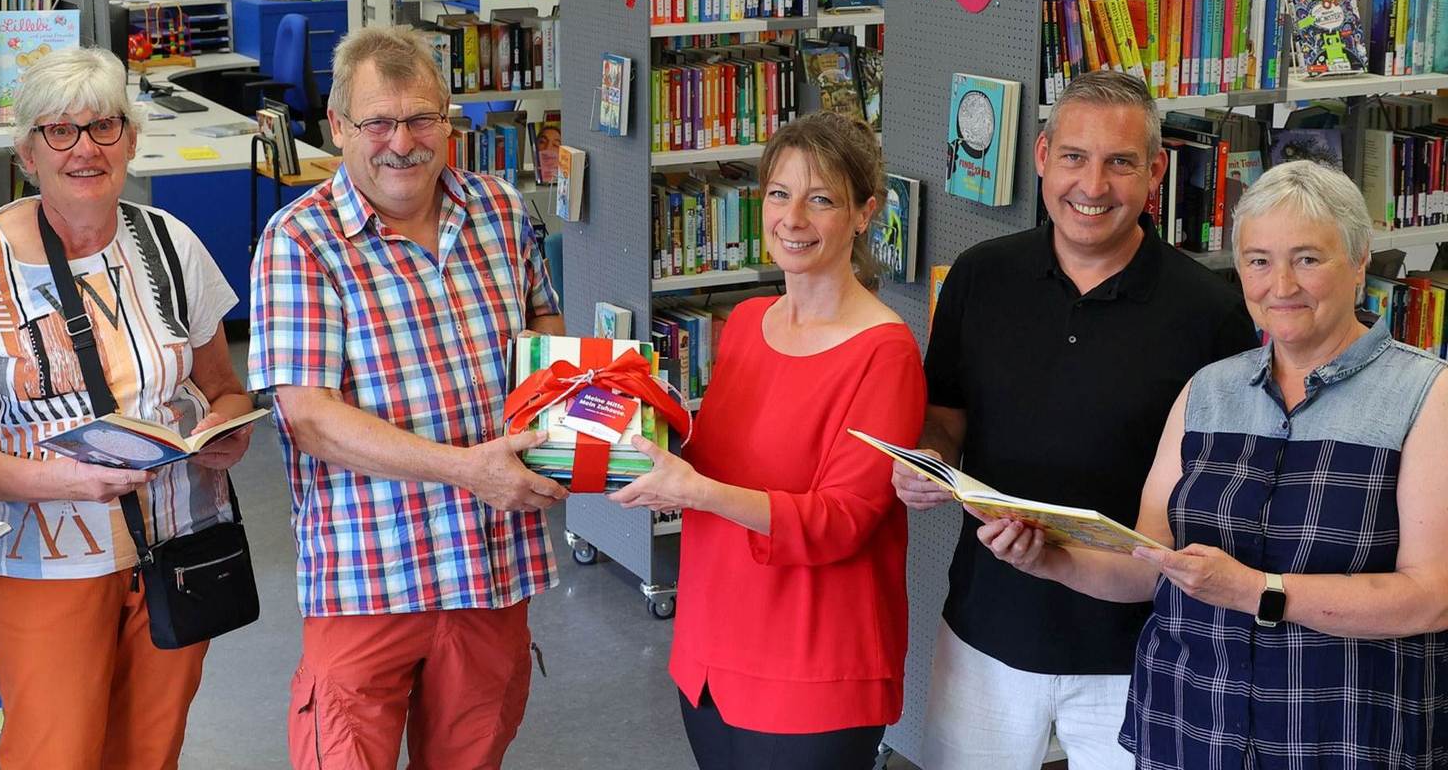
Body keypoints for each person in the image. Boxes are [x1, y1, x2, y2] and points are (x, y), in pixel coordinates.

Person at [979, 159, 1448, 770]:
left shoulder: (1425, 397)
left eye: (1308, 258)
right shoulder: (1208, 392)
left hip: (1346, 735)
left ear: (1360, 262)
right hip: (1192, 726)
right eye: (1258, 260)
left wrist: (1260, 592)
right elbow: (1150, 564)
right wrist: (1050, 559)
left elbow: (1431, 598)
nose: (1280, 285)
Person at [893, 69, 1255, 770]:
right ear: (1041, 156)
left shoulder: (1209, 312)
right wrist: (926, 464)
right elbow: (946, 418)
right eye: (1074, 158)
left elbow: (1222, 486)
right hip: (987, 628)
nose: (1092, 186)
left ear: (1155, 172)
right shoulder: (980, 277)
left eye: (1120, 163)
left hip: (1140, 646)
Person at [0, 47, 254, 768]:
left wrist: (226, 429)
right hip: (45, 562)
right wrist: (62, 482)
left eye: (104, 127)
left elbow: (225, 386)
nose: (85, 149)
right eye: (59, 131)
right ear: (27, 153)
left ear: (131, 139)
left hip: (176, 547)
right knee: (53, 754)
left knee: (151, 749)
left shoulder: (172, 245)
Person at [250, 25, 566, 770]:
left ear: (449, 120)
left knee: (472, 754)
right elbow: (310, 418)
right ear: (338, 128)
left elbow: (547, 337)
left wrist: (591, 434)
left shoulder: (501, 211)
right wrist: (468, 470)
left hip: (490, 566)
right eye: (378, 122)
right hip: (371, 572)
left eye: (422, 119)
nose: (402, 142)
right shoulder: (299, 241)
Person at [611, 111, 927, 769]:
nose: (793, 219)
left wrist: (697, 489)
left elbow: (841, 522)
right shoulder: (747, 324)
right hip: (709, 649)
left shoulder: (884, 354)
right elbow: (721, 460)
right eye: (779, 194)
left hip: (811, 665)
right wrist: (629, 432)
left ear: (865, 213)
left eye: (822, 200)